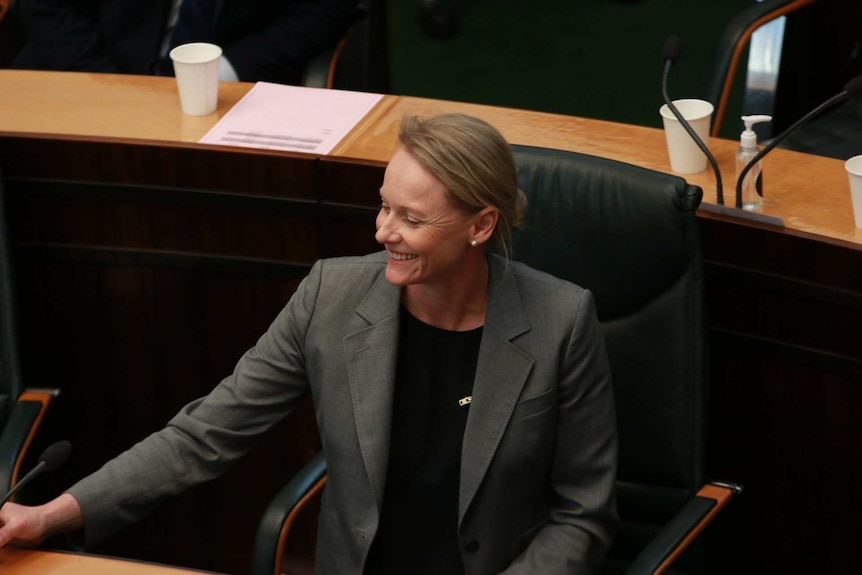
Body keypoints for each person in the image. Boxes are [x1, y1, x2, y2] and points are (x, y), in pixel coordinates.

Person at [0, 113, 618, 574]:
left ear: (481, 225)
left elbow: (582, 514)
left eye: (411, 219)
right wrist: (51, 514)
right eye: (383, 207)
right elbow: (202, 435)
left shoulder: (562, 320)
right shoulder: (331, 294)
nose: (382, 233)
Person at [9, 0, 358, 84]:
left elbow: (329, 6)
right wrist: (104, 82)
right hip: (81, 70)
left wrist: (228, 70)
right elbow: (46, 5)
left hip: (227, 90)